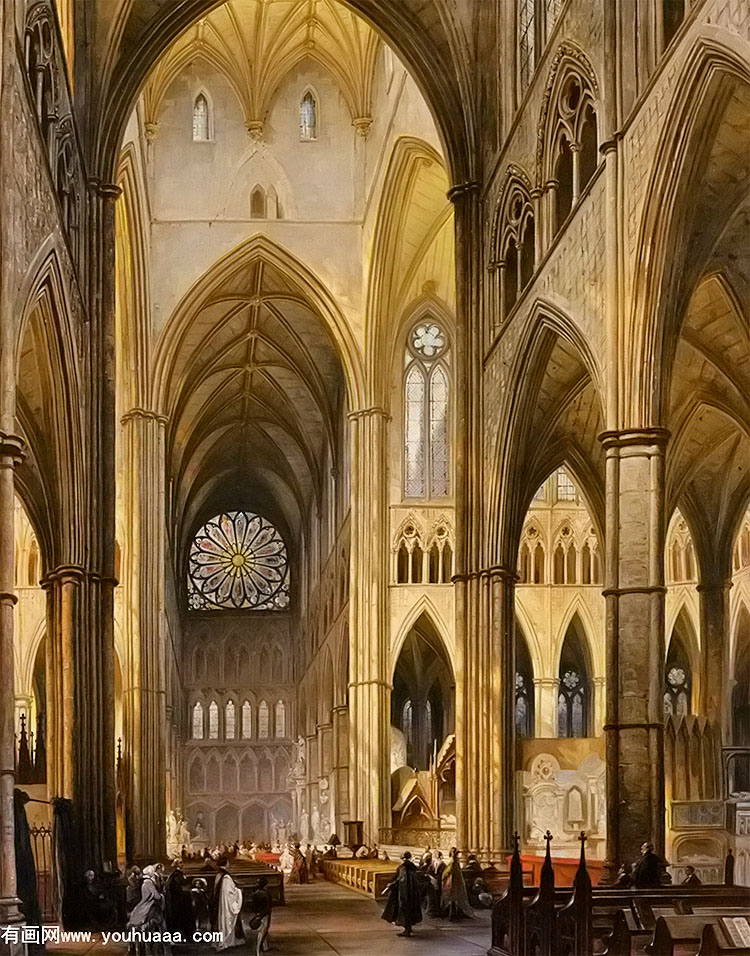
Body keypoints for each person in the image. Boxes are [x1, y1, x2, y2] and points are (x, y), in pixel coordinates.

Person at [127, 864, 168, 955]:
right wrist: (162, 896)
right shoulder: (148, 883)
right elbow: (156, 896)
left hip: (142, 905)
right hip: (149, 905)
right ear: (151, 873)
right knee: (160, 921)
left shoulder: (143, 881)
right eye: (153, 873)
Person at [381, 851, 423, 938]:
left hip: (404, 892)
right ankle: (409, 927)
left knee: (404, 910)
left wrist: (391, 884)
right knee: (411, 910)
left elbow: (401, 879)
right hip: (412, 893)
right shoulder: (413, 867)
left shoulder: (404, 868)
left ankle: (407, 930)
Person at [210, 857, 244, 951]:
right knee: (226, 921)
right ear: (226, 863)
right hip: (224, 904)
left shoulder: (219, 875)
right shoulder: (226, 877)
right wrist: (238, 891)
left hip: (219, 903)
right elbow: (229, 894)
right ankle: (226, 940)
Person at [165, 860, 194, 941]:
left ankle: (186, 935)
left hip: (183, 899)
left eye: (182, 862)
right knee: (180, 918)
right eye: (180, 862)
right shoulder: (175, 875)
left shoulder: (180, 874)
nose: (182, 864)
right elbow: (178, 888)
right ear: (177, 864)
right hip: (179, 900)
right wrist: (185, 889)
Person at [441, 847, 473, 921]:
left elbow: (447, 872)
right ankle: (453, 915)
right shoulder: (454, 863)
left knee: (453, 899)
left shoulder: (453, 863)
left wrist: (443, 876)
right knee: (453, 899)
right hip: (454, 882)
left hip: (453, 883)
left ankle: (453, 915)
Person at [247, 876, 272, 956]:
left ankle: (265, 946)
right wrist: (263, 914)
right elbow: (268, 906)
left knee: (262, 931)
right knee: (262, 932)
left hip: (258, 913)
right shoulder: (266, 893)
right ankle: (258, 951)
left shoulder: (255, 893)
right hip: (264, 914)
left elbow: (253, 906)